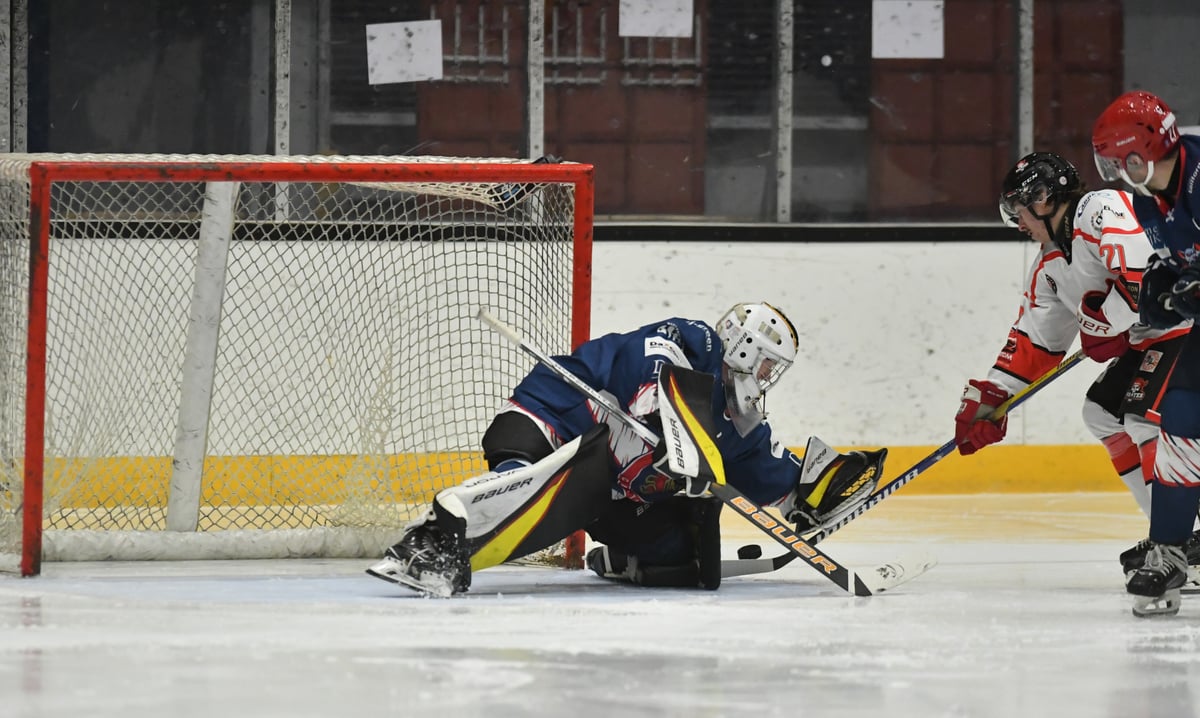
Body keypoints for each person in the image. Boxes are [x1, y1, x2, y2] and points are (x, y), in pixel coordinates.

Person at [367, 303, 887, 596]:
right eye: (769, 364)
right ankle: (439, 538)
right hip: (559, 421)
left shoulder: (742, 424)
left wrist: (819, 492)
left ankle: (620, 559)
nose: (769, 378)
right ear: (746, 347)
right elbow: (649, 365)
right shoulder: (694, 343)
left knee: (692, 568)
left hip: (615, 494)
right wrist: (666, 421)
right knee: (541, 481)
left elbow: (782, 481)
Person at [953, 151, 1192, 587]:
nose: (1019, 223)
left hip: (1184, 325)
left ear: (1042, 198)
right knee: (1101, 412)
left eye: (1020, 211)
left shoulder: (1100, 209)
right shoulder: (1049, 266)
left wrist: (1112, 320)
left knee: (1142, 417)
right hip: (1150, 340)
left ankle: (1179, 544)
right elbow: (1035, 341)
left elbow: (1143, 275)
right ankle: (1175, 536)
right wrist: (991, 397)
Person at [1092, 89, 1200, 616]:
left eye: (1116, 159)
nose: (1114, 170)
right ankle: (1172, 552)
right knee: (1177, 414)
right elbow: (1175, 266)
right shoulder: (1146, 201)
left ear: (1142, 151)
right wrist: (1161, 287)